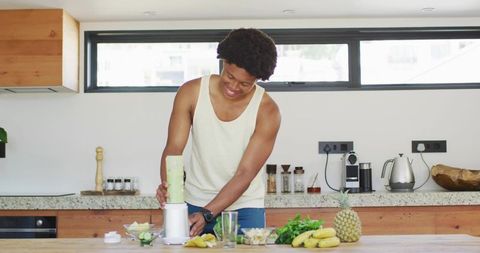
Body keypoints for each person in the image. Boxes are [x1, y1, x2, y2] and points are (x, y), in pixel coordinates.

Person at [156, 28, 281, 237]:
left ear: (258, 79)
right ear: (223, 61)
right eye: (229, 76)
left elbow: (245, 173)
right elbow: (174, 148)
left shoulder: (268, 111)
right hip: (194, 203)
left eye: (244, 84)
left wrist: (208, 214)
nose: (232, 86)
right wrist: (170, 189)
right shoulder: (191, 92)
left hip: (245, 209)